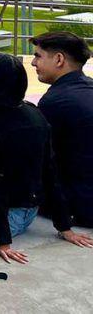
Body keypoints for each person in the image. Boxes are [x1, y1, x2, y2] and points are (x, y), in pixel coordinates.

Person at [0, 52, 93, 265]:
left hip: (1, 218)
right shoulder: (33, 113)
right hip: (27, 212)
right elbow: (48, 171)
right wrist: (64, 226)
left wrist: (1, 240)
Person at [32, 31, 93, 228]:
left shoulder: (55, 101)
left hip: (79, 206)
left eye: (38, 56)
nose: (33, 63)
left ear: (59, 59)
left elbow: (39, 159)